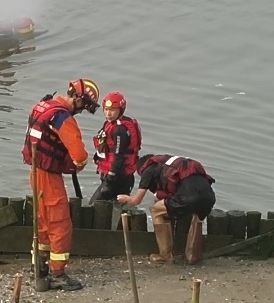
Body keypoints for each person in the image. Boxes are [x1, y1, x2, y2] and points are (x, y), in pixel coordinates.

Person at [21, 78, 99, 291]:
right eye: (84, 105)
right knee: (60, 224)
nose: (82, 111)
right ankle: (57, 273)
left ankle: (39, 266)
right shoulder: (63, 118)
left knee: (42, 221)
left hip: (35, 171)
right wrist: (76, 166)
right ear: (77, 98)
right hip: (49, 176)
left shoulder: (42, 105)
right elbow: (80, 156)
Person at [117, 154, 217, 265]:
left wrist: (125, 198)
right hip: (209, 196)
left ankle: (165, 256)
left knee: (156, 210)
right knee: (197, 217)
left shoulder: (148, 170)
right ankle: (193, 256)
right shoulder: (172, 163)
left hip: (187, 197)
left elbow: (136, 200)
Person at [89, 91, 142, 202]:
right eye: (106, 109)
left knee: (94, 204)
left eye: (112, 110)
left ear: (121, 110)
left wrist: (109, 179)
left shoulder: (120, 130)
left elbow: (119, 155)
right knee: (109, 206)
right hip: (112, 175)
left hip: (118, 177)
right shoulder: (109, 124)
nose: (108, 113)